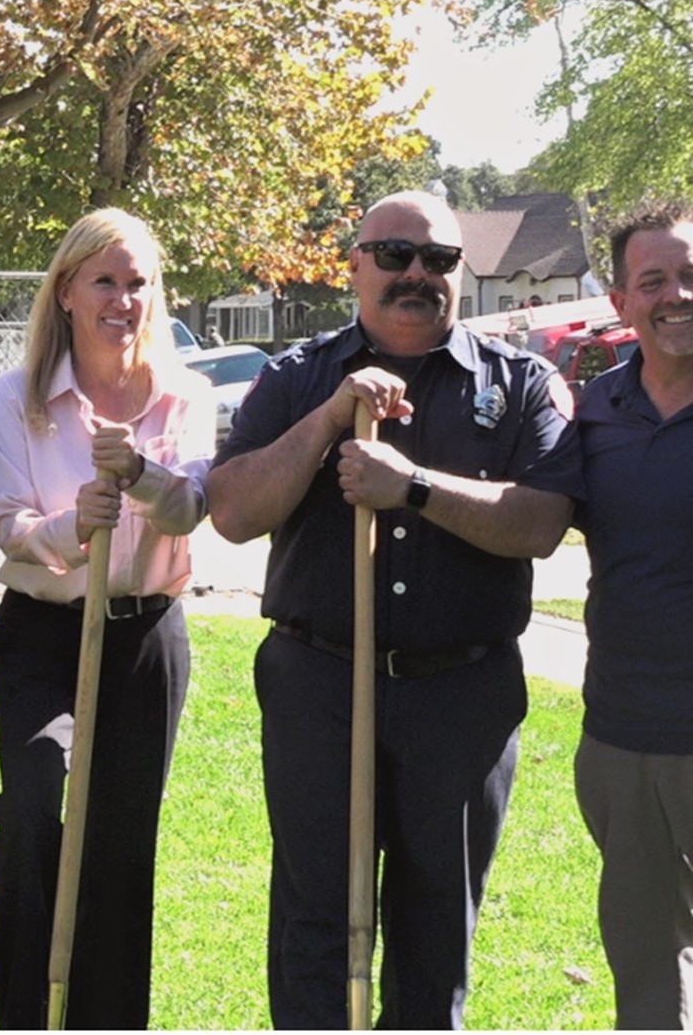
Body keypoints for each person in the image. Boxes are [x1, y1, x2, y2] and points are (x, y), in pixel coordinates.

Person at [205, 190, 582, 1028]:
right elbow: (231, 513)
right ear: (355, 266)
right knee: (315, 919)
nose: (416, 274)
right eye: (394, 255)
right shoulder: (298, 374)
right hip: (320, 683)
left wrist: (409, 488)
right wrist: (331, 421)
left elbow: (543, 522)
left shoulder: (520, 382)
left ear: (461, 272)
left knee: (435, 923)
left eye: (439, 260)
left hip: (462, 695)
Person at [0, 208, 212, 1029]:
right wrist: (73, 525)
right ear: (68, 290)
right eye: (105, 281)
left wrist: (141, 473)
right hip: (45, 634)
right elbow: (7, 523)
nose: (123, 298)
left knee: (120, 843)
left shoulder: (186, 394)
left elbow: (189, 508)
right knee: (38, 805)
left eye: (138, 282)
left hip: (145, 635)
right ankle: (26, 1010)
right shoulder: (20, 398)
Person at [572, 200, 693, 1028]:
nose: (677, 294)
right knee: (648, 980)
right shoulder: (591, 416)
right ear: (620, 303)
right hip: (623, 739)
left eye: (691, 276)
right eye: (654, 280)